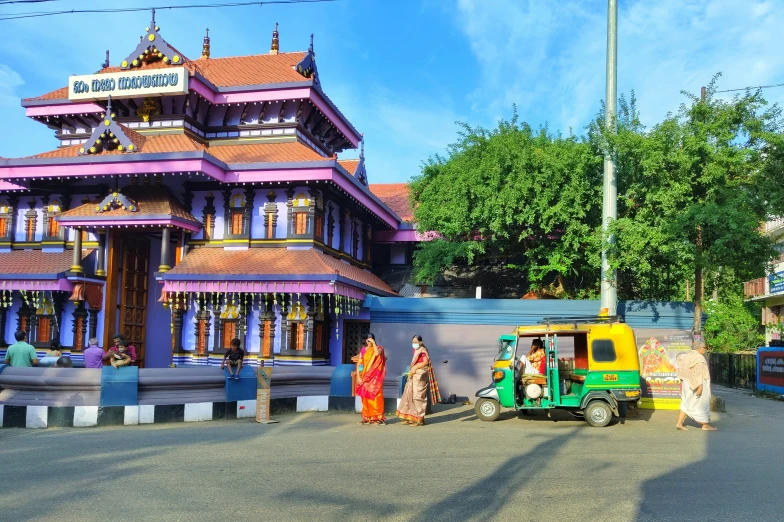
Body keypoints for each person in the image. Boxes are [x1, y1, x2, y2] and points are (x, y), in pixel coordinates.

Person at [396, 335, 442, 427]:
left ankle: (419, 420)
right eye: (413, 342)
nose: (414, 344)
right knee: (409, 396)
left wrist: (416, 367)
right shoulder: (416, 350)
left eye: (416, 342)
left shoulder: (423, 351)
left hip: (420, 376)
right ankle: (411, 418)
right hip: (414, 375)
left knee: (418, 397)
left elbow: (425, 362)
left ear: (420, 342)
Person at [676, 340, 717, 431]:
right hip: (697, 383)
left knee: (685, 403)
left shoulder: (686, 356)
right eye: (704, 348)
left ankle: (679, 423)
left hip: (687, 383)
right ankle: (705, 425)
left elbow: (680, 370)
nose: (705, 350)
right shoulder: (699, 358)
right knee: (702, 404)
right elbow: (698, 373)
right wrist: (700, 386)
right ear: (699, 348)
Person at [355, 333, 387, 425]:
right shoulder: (364, 350)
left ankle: (378, 418)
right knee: (365, 397)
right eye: (368, 340)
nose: (369, 342)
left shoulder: (379, 348)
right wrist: (359, 376)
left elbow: (377, 354)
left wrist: (373, 343)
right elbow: (360, 364)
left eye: (371, 340)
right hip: (365, 377)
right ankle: (367, 417)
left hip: (375, 378)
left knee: (376, 397)